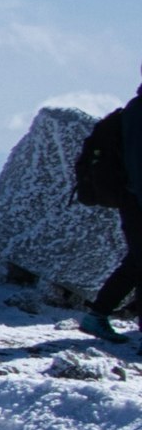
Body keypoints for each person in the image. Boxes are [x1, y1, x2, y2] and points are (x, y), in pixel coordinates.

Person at [83, 69, 142, 338]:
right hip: (137, 200)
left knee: (137, 261)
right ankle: (97, 316)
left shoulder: (134, 111)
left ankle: (97, 315)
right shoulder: (138, 113)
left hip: (133, 199)